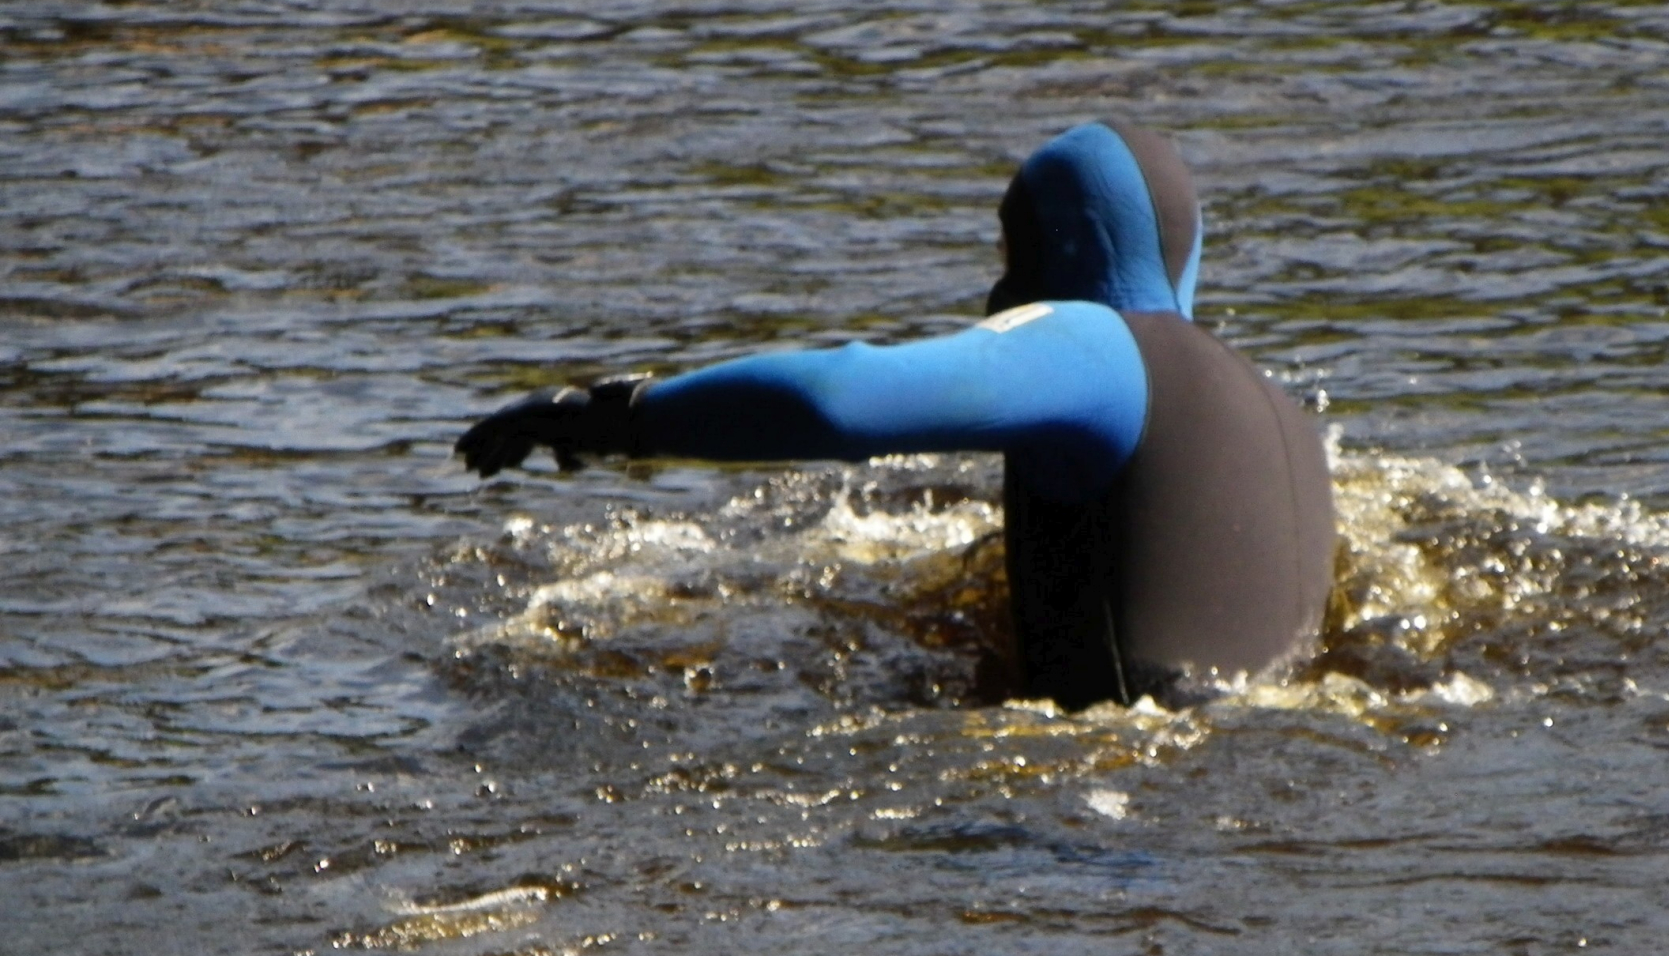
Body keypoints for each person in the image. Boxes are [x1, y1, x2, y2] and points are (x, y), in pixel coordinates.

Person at [456, 122, 1334, 709]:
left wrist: (615, 417)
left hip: (1120, 825)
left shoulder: (1097, 348)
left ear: (1054, 246)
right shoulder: (1281, 414)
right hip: (1241, 790)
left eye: (1006, 246)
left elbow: (838, 400)